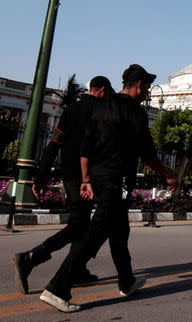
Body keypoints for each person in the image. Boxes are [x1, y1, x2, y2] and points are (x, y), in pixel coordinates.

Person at [40, 64, 177, 312]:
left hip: (97, 176)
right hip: (117, 180)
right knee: (96, 233)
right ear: (140, 86)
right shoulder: (135, 113)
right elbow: (147, 154)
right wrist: (167, 175)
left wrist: (86, 179)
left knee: (119, 230)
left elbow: (87, 144)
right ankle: (57, 288)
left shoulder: (102, 104)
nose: (147, 92)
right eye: (146, 87)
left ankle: (127, 280)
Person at [12, 76, 113, 295]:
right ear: (103, 90)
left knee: (82, 223)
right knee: (78, 224)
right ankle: (31, 257)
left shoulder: (70, 109)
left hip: (69, 176)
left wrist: (40, 177)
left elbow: (54, 143)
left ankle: (78, 270)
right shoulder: (100, 111)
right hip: (85, 178)